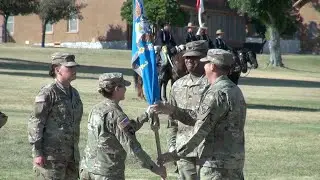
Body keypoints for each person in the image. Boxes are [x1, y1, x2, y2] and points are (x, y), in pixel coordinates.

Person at [153, 49, 247, 180]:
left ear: (213, 66)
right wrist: (173, 110)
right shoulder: (235, 90)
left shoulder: (215, 93)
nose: (204, 66)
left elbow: (200, 129)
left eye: (206, 63)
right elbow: (202, 116)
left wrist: (175, 154)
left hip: (215, 166)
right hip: (235, 162)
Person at [79, 73, 166, 180]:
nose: (125, 89)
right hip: (107, 174)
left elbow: (123, 130)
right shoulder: (117, 115)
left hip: (88, 170)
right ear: (117, 89)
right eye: (124, 86)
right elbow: (133, 148)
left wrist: (146, 115)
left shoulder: (95, 109)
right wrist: (155, 168)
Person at [28, 52, 83, 180]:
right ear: (57, 69)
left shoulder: (74, 93)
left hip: (71, 157)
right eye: (69, 67)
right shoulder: (48, 93)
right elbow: (36, 122)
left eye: (74, 67)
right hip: (51, 158)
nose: (74, 70)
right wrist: (37, 153)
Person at [167, 40, 209, 180]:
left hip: (208, 151)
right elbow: (171, 122)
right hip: (184, 151)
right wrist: (172, 146)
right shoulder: (177, 85)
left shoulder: (214, 85)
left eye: (194, 57)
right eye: (187, 57)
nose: (189, 60)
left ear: (205, 58)